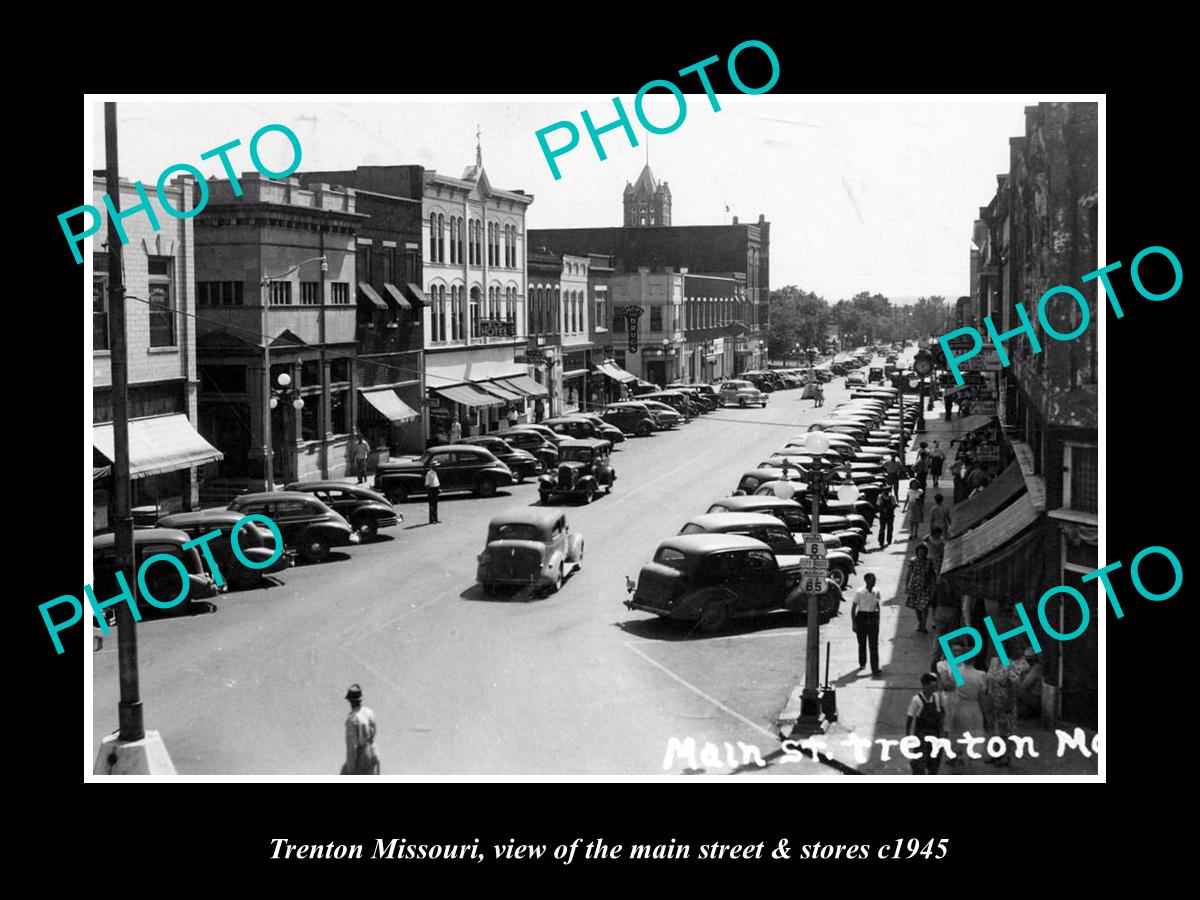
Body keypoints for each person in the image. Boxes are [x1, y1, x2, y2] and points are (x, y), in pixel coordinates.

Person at [936, 640, 987, 771]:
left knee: (957, 732)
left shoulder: (957, 671)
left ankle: (958, 759)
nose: (956, 653)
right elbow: (981, 697)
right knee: (965, 734)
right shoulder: (980, 675)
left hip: (959, 703)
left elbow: (949, 684)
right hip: (963, 704)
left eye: (958, 651)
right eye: (954, 651)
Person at [984, 650, 1030, 767]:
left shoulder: (1012, 665)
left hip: (1006, 700)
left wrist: (1010, 701)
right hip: (993, 700)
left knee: (1007, 729)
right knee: (995, 728)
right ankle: (996, 754)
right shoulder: (993, 662)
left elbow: (1015, 685)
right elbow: (988, 680)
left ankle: (1007, 756)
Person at [905, 673, 946, 776]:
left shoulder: (936, 697)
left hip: (935, 732)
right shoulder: (916, 699)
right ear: (924, 685)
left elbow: (941, 712)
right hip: (921, 733)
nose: (933, 689)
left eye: (935, 687)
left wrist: (942, 729)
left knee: (934, 758)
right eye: (932, 687)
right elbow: (910, 717)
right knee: (920, 758)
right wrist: (908, 735)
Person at [341, 683, 379, 775]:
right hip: (373, 751)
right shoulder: (369, 712)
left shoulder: (352, 719)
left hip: (361, 756)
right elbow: (374, 730)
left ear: (350, 700)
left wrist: (350, 769)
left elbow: (352, 747)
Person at [850, 572, 882, 676]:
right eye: (872, 580)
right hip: (862, 618)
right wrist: (854, 623)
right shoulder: (859, 592)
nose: (874, 582)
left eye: (874, 580)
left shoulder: (876, 591)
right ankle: (862, 663)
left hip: (873, 617)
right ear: (866, 580)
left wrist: (878, 619)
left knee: (874, 645)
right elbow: (853, 608)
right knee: (862, 643)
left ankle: (875, 668)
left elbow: (877, 605)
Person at [905, 544, 937, 633]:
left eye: (923, 553)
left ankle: (923, 624)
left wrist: (934, 587)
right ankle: (920, 623)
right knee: (917, 607)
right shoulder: (912, 561)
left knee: (924, 607)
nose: (921, 554)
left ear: (926, 553)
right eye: (920, 553)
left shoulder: (929, 562)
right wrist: (907, 586)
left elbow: (933, 575)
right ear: (917, 553)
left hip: (926, 587)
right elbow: (909, 574)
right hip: (914, 587)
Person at [1015, 647, 1043, 719]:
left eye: (1029, 659)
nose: (1028, 661)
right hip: (1032, 695)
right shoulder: (1032, 667)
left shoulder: (1037, 668)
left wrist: (1018, 679)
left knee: (1015, 689)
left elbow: (1024, 685)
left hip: (1036, 698)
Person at [424, 460, 441, 524]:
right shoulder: (429, 473)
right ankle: (431, 520)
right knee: (432, 505)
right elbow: (427, 484)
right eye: (436, 466)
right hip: (431, 490)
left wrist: (438, 488)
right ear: (432, 467)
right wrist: (429, 492)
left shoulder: (435, 473)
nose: (437, 467)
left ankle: (436, 519)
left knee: (435, 505)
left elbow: (436, 482)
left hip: (436, 489)